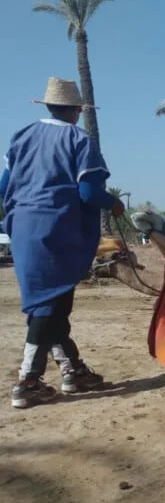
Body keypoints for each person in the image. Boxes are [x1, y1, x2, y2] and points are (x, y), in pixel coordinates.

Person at [0, 77, 125, 408]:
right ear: (78, 110)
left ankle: (72, 371)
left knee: (51, 305)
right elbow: (89, 193)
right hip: (57, 230)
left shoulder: (21, 136)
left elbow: (3, 188)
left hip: (22, 229)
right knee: (48, 305)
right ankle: (27, 381)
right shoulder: (79, 140)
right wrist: (114, 203)